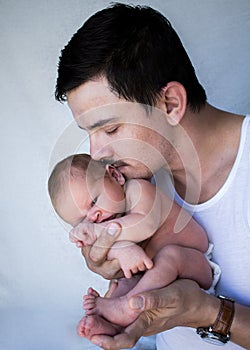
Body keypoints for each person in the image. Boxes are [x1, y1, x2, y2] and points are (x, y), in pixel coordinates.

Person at [54, 3, 250, 349]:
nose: (96, 153)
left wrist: (208, 312)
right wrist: (115, 260)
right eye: (89, 133)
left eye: (111, 129)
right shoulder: (131, 184)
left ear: (171, 103)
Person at [48, 153, 214, 338]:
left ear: (115, 176)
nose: (93, 217)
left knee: (170, 256)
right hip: (160, 280)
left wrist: (96, 233)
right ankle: (111, 322)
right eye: (82, 220)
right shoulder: (108, 223)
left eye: (94, 202)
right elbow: (110, 253)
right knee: (123, 281)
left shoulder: (138, 190)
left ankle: (126, 305)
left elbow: (144, 225)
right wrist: (119, 249)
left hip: (196, 264)